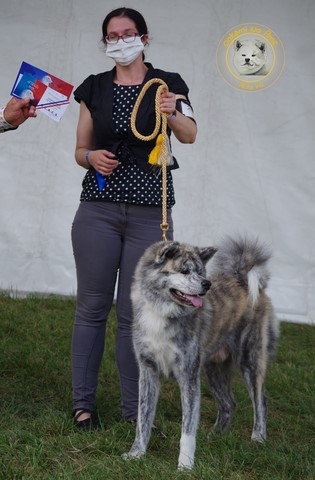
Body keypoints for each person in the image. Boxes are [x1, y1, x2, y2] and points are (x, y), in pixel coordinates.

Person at [71, 7, 197, 430]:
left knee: (135, 313)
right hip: (98, 211)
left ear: (144, 38)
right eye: (111, 35)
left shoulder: (168, 83)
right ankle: (83, 405)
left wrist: (173, 111)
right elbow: (79, 151)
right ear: (105, 42)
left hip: (150, 215)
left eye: (127, 33)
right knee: (91, 307)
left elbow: (190, 133)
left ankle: (134, 410)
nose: (119, 41)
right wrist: (91, 158)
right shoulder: (92, 88)